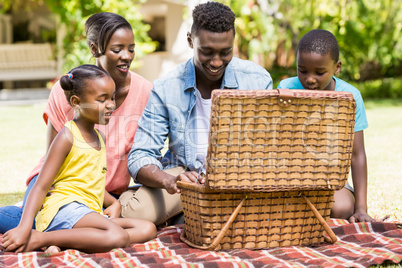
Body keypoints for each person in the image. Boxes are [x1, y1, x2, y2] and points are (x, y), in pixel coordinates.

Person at [0, 12, 152, 233]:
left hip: (104, 193)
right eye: (117, 49)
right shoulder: (68, 90)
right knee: (40, 222)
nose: (127, 56)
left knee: (95, 229)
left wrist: (113, 201)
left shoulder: (146, 92)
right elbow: (53, 162)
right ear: (93, 48)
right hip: (59, 185)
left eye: (131, 48)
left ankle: (52, 232)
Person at [123, 1, 273, 226]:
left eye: (225, 52)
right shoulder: (166, 88)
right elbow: (140, 155)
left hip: (239, 177)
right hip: (187, 177)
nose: (216, 62)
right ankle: (197, 210)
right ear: (190, 41)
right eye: (207, 52)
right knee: (136, 214)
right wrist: (171, 179)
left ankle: (191, 215)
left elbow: (268, 146)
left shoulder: (257, 80)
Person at [1, 65, 156, 253]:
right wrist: (24, 228)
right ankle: (41, 238)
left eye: (112, 97)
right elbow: (41, 184)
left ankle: (70, 241)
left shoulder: (100, 137)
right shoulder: (68, 136)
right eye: (102, 99)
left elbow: (91, 181)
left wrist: (114, 203)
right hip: (64, 207)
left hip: (86, 210)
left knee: (148, 228)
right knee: (118, 236)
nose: (111, 105)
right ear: (76, 102)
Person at [277, 29, 374, 223]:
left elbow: (357, 154)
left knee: (343, 207)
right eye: (302, 70)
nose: (309, 79)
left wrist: (361, 208)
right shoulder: (286, 88)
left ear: (337, 67)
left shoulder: (350, 97)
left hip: (330, 179)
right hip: (292, 175)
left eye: (320, 73)